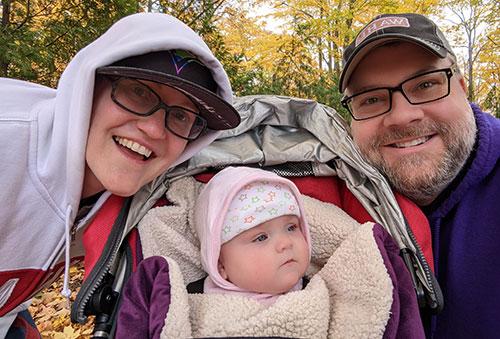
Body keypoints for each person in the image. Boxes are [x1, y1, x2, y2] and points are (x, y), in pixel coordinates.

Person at [0, 12, 240, 337]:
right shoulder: (8, 147)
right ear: (88, 85)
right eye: (138, 93)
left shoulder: (134, 203)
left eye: (181, 116)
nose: (154, 129)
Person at [339, 13, 500, 338]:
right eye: (371, 99)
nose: (402, 116)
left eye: (426, 85)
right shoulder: (329, 205)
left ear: (462, 88)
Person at [192, 166, 311, 305]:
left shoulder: (318, 292)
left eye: (291, 227)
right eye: (261, 237)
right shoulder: (193, 302)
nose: (286, 243)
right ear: (220, 265)